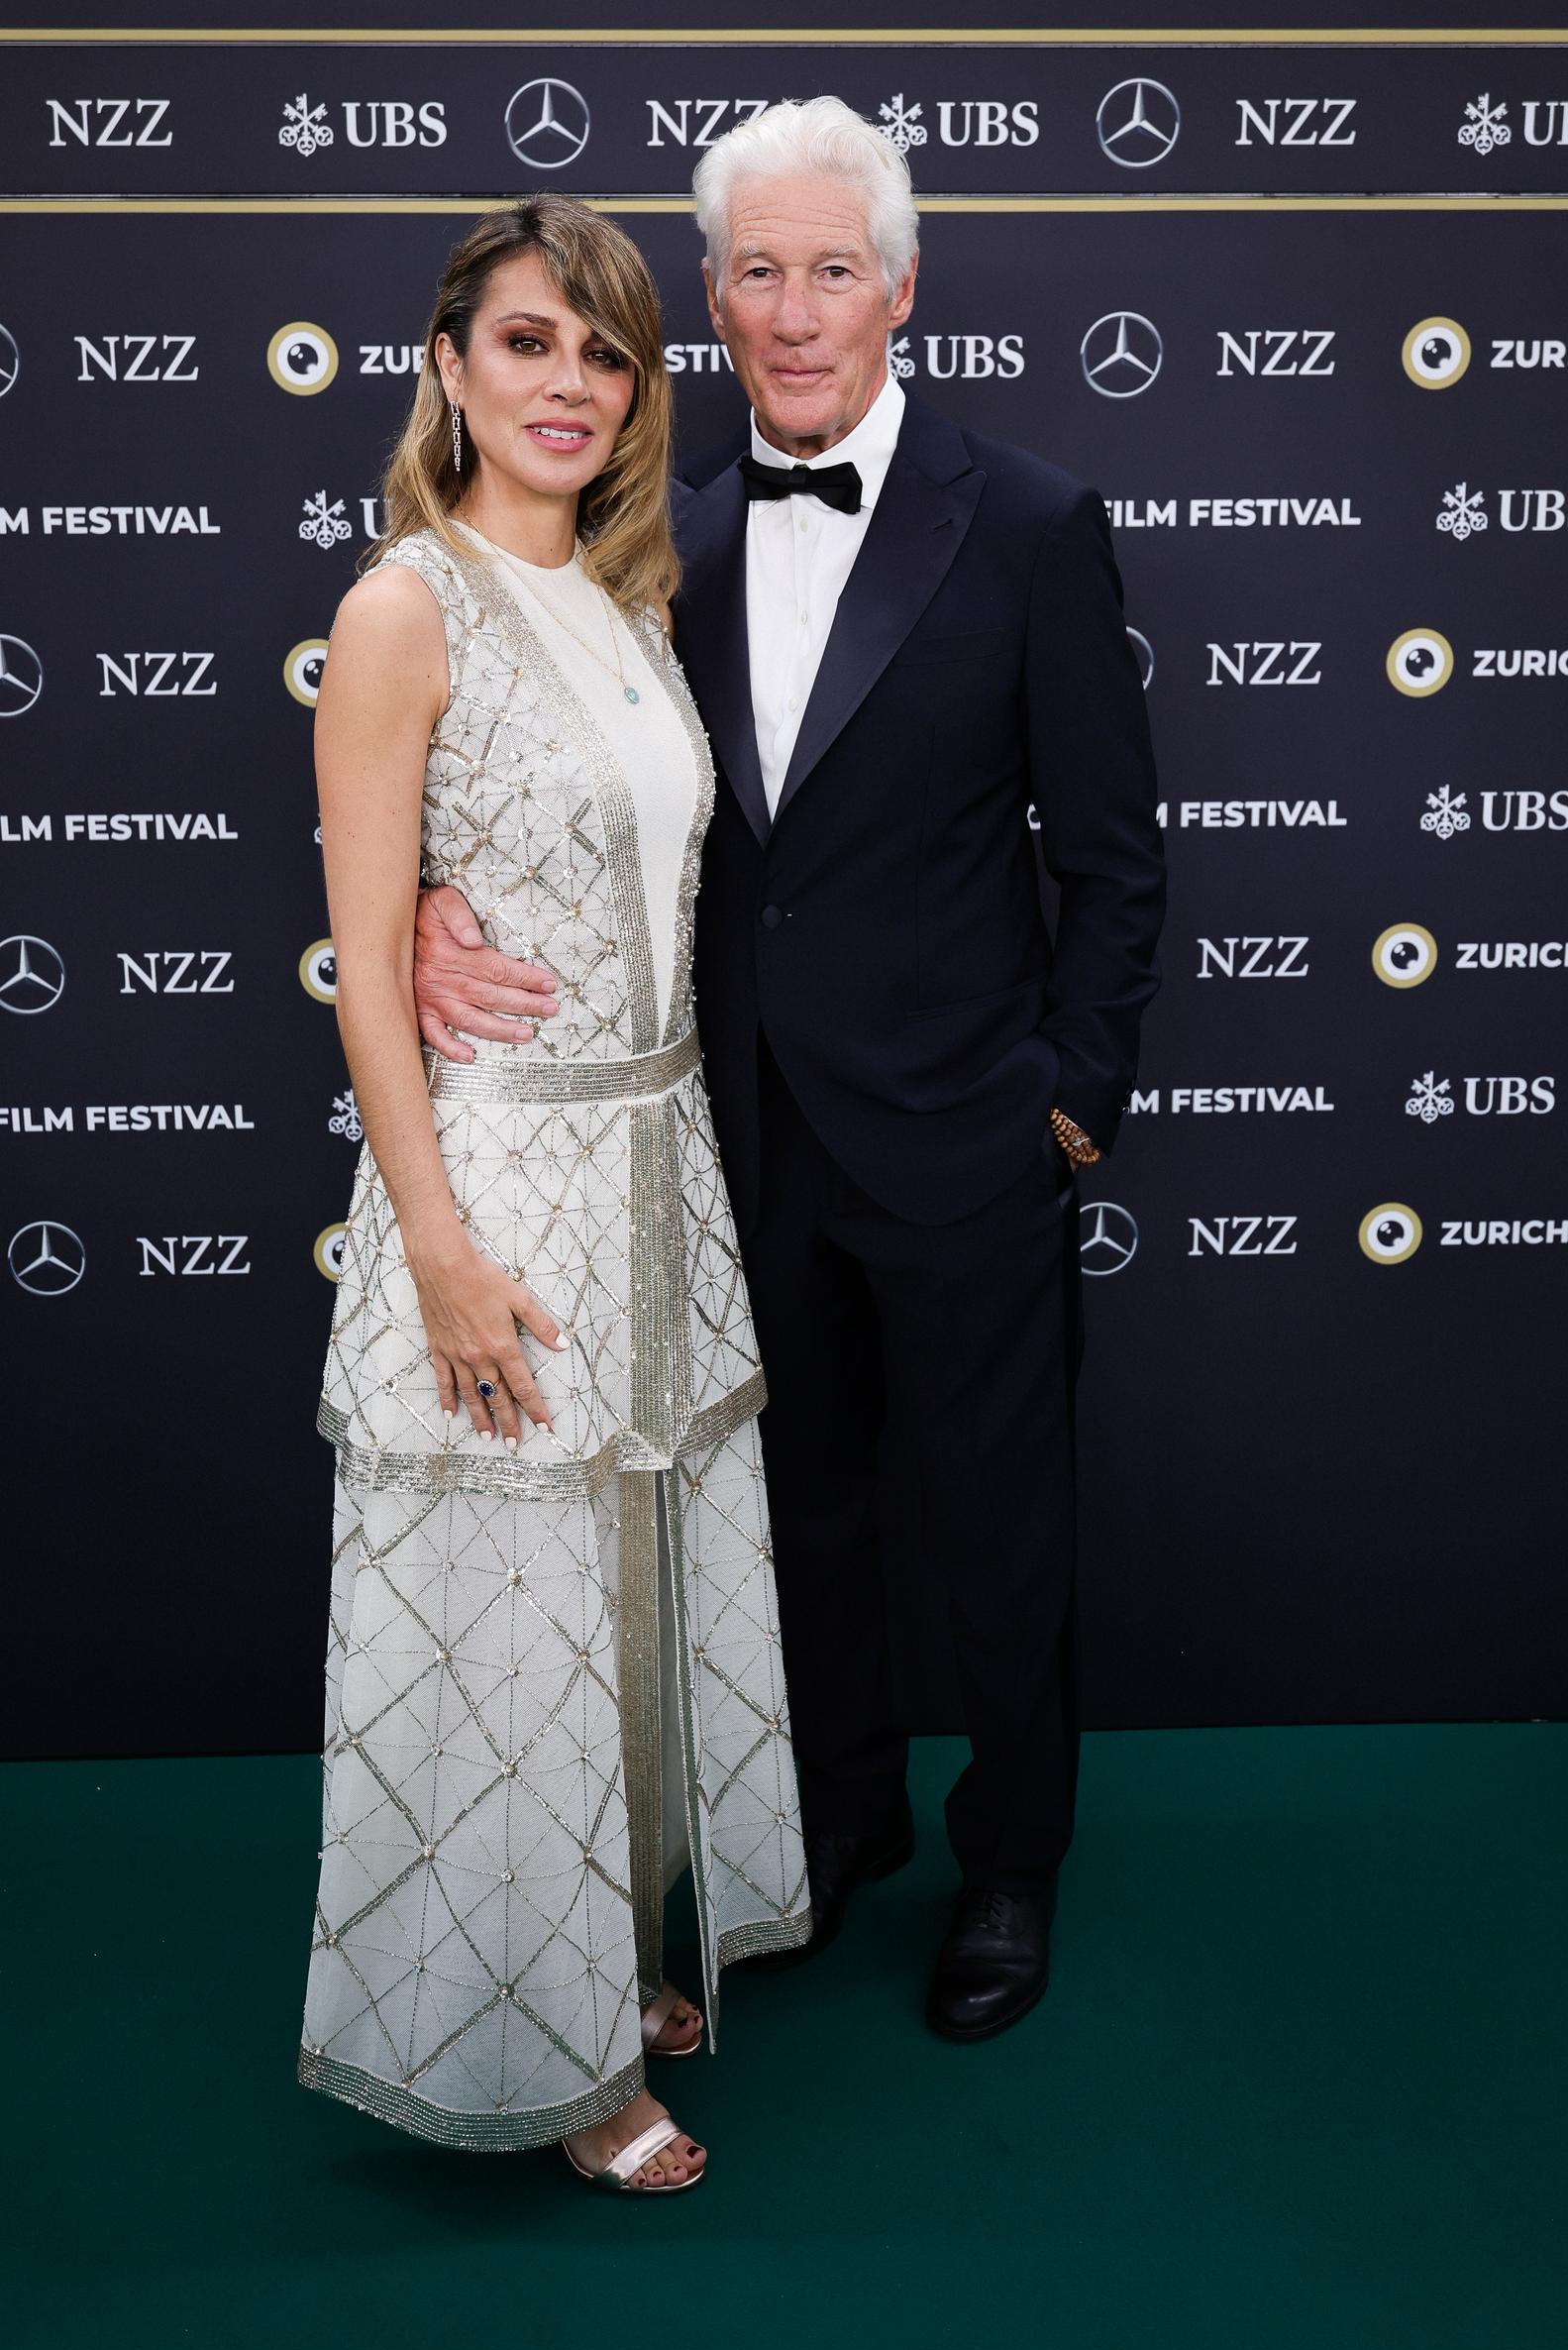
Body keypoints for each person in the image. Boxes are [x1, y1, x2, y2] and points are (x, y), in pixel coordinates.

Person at [414, 99, 1166, 2045]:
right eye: (755, 269)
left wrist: (1066, 1098)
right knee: (795, 1520)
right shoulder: (657, 532)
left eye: (833, 267)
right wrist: (431, 911)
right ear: (713, 302)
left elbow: (1107, 855)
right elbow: (557, 771)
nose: (795, 308)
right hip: (733, 1134)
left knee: (997, 1531)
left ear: (899, 288)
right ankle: (832, 1837)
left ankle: (1012, 1861)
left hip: (966, 1134)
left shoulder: (1023, 519)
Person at [300, 195, 809, 2193]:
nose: (568, 387)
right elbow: (364, 961)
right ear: (447, 365)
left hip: (655, 1163)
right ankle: (556, 2063)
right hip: (497, 1175)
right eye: (527, 343)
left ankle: (602, 1954)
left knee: (618, 1586)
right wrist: (431, 1243)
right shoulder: (398, 606)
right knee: (503, 1623)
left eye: (604, 355)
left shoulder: (631, 600)